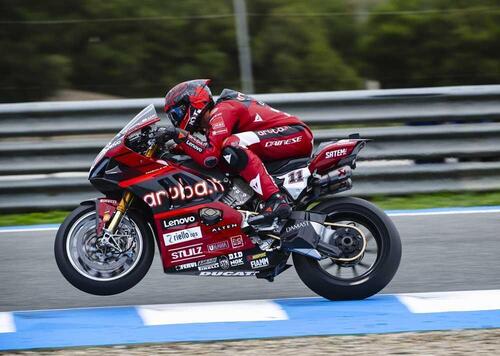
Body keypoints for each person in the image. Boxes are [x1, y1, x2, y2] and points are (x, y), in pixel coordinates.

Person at [159, 79, 314, 221]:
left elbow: (210, 157)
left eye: (177, 114)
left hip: (296, 134)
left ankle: (276, 200)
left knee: (232, 145)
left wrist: (179, 135)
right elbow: (207, 151)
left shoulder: (223, 110)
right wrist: (173, 148)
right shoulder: (216, 118)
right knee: (228, 152)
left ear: (193, 102)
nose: (176, 120)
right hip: (285, 137)